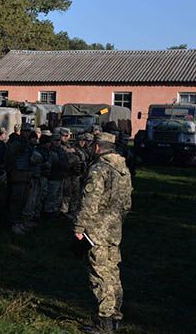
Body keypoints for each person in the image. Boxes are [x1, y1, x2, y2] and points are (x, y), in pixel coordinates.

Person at [74, 133, 132, 333]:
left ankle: (104, 320)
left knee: (99, 274)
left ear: (98, 147)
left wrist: (79, 227)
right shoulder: (122, 169)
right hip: (114, 229)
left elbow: (89, 202)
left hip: (96, 230)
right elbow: (126, 204)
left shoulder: (100, 169)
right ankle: (115, 315)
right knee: (113, 271)